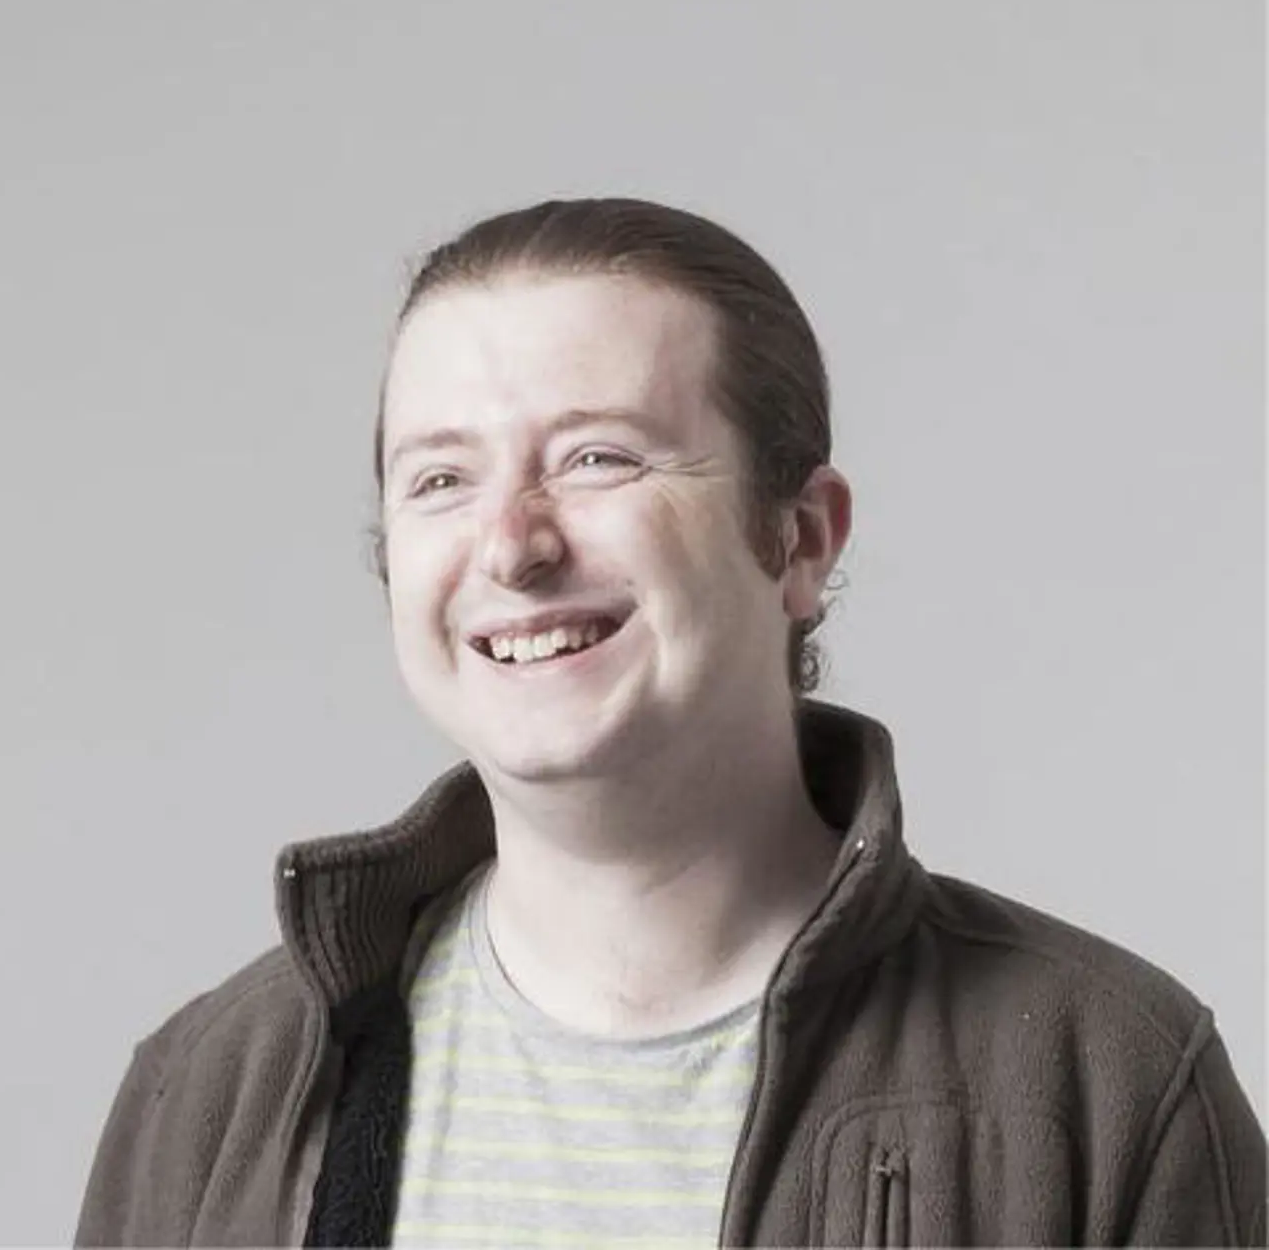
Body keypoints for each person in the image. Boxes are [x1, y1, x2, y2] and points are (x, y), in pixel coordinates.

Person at [75, 198, 1266, 1248]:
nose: (512, 544)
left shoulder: (1103, 1083)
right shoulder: (213, 1091)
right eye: (440, 478)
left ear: (797, 540)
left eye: (598, 457)